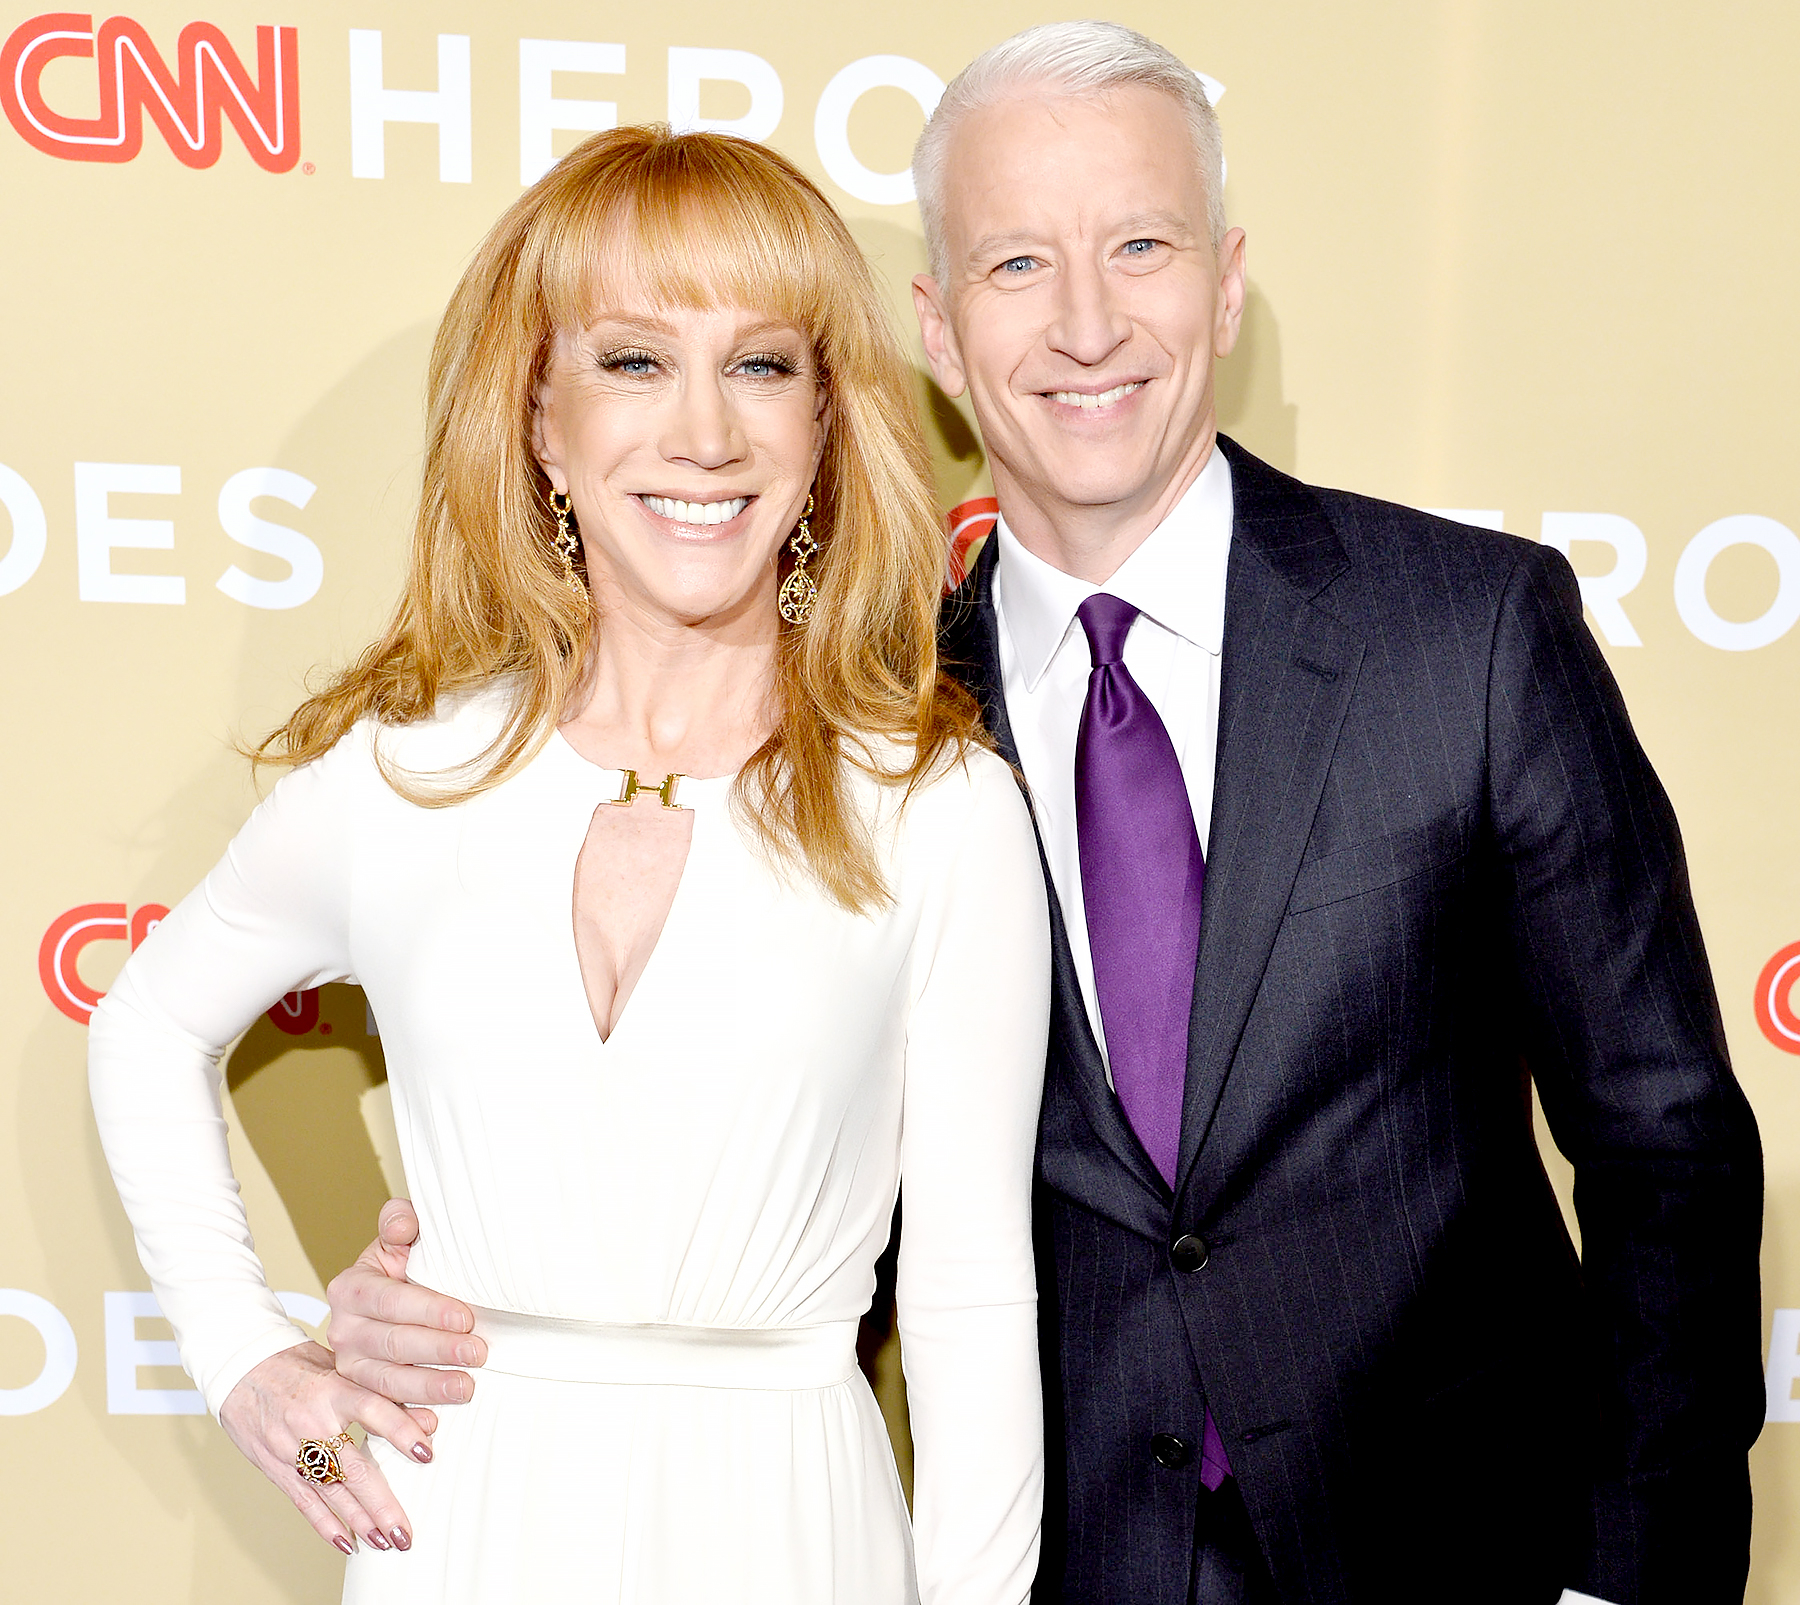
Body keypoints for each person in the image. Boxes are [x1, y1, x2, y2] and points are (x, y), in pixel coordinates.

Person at [326, 22, 1767, 1605]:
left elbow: (1665, 1146)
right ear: (937, 332)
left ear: (1224, 284)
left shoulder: (1468, 632)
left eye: (1139, 246)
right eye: (1018, 265)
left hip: (1460, 1555)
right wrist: (440, 1308)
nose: (1087, 324)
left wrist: (1629, 1581)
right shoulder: (849, 743)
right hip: (1063, 1569)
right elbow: (757, 1193)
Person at [87, 126, 1049, 1605]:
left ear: (828, 424)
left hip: (790, 1522)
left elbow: (973, 1296)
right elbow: (147, 1024)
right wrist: (244, 1356)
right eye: (633, 361)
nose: (706, 435)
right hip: (461, 1516)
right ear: (540, 421)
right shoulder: (407, 774)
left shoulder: (936, 808)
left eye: (762, 364)